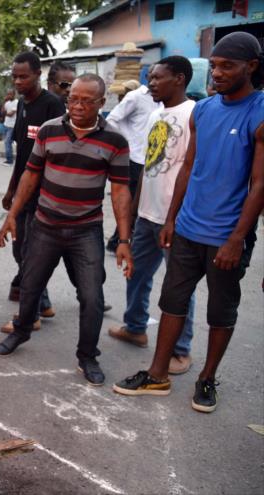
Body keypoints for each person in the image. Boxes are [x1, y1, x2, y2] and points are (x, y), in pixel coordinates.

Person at [113, 32, 264, 413]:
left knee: (220, 312)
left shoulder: (259, 112)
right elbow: (188, 167)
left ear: (251, 66)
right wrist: (172, 218)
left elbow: (260, 183)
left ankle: (207, 378)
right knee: (172, 302)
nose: (218, 73)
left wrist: (237, 238)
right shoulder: (205, 110)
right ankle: (157, 374)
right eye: (214, 65)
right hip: (187, 228)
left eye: (227, 66)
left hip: (226, 235)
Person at [0, 74, 134, 386]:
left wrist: (124, 239)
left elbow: (120, 191)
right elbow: (31, 175)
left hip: (86, 230)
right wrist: (12, 215)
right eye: (73, 99)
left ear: (102, 103)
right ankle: (21, 330)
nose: (78, 106)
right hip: (45, 225)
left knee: (92, 296)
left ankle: (88, 355)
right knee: (30, 285)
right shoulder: (49, 130)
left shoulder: (115, 140)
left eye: (87, 101)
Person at [107, 57, 197, 375]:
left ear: (180, 79)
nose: (151, 84)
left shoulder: (193, 114)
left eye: (158, 78)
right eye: (150, 77)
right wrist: (134, 209)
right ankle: (135, 327)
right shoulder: (156, 114)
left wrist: (174, 217)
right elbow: (149, 163)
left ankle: (180, 349)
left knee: (179, 286)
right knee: (137, 273)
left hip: (177, 218)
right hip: (147, 214)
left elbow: (192, 168)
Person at [1, 52, 66, 331]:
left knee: (30, 252)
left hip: (45, 196)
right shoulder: (21, 105)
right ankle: (44, 303)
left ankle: (32, 315)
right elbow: (22, 154)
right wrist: (11, 190)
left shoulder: (52, 105)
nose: (18, 81)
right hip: (23, 192)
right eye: (14, 76)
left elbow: (60, 153)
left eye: (23, 76)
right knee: (21, 251)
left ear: (38, 74)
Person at [105, 79, 159, 252]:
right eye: (153, 76)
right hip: (135, 159)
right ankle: (119, 240)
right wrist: (128, 141)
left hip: (151, 160)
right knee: (132, 202)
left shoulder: (162, 100)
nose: (155, 81)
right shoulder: (136, 97)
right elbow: (112, 119)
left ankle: (119, 240)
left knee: (141, 202)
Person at [1, 89, 18, 165]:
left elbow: (11, 114)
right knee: (7, 143)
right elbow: (2, 112)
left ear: (14, 94)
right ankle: (8, 159)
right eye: (8, 94)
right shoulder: (7, 103)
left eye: (10, 94)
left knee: (8, 142)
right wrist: (4, 102)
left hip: (12, 126)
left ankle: (10, 160)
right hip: (6, 124)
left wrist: (5, 113)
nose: (9, 96)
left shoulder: (16, 102)